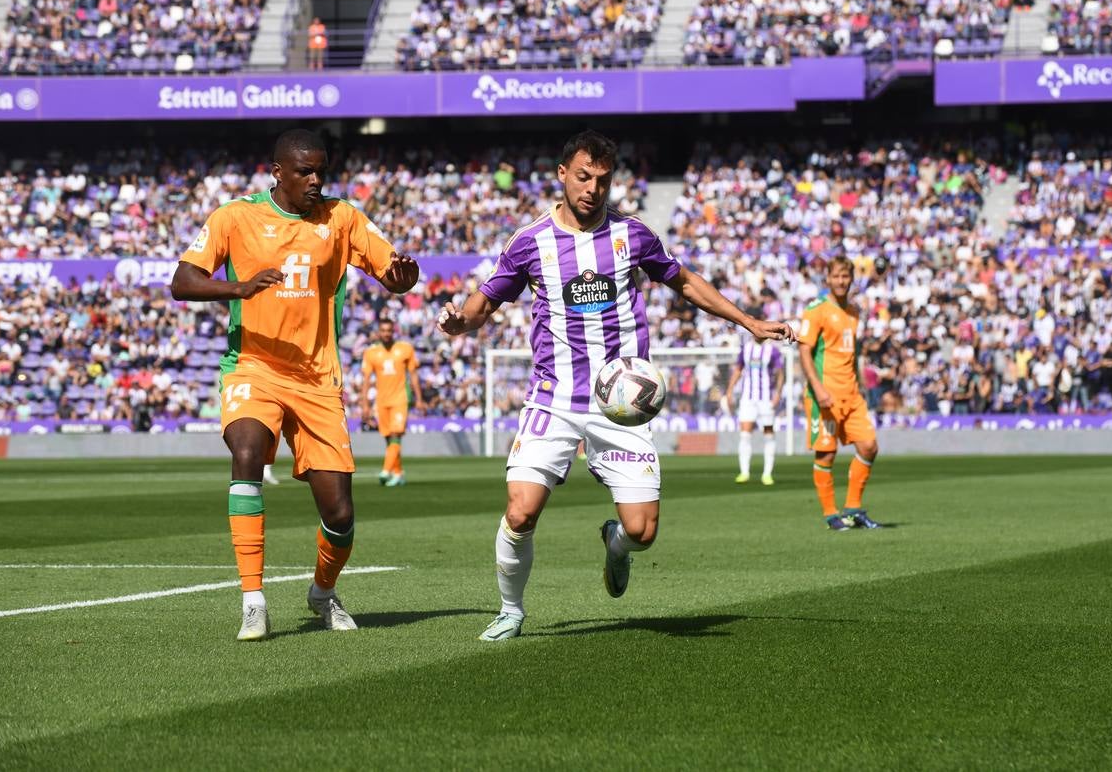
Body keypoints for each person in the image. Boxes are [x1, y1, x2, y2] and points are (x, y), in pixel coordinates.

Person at [436, 130, 792, 642]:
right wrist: (459, 323)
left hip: (621, 402)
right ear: (563, 174)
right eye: (584, 177)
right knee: (520, 510)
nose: (593, 189)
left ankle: (616, 543)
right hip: (554, 398)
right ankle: (511, 611)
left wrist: (748, 322)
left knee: (642, 531)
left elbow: (684, 281)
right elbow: (485, 302)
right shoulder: (530, 241)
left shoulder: (633, 235)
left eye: (603, 180)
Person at [170, 129, 419, 641]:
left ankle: (322, 592)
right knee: (246, 452)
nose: (315, 180)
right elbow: (182, 281)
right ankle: (253, 601)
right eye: (305, 171)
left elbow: (393, 272)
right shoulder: (234, 217)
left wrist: (402, 278)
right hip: (253, 366)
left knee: (340, 514)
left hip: (317, 379)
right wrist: (239, 286)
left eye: (321, 170)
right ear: (277, 172)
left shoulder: (341, 217)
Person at [796, 256, 881, 532]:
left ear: (852, 279)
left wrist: (860, 386)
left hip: (852, 393)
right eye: (836, 276)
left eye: (846, 276)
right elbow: (804, 351)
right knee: (826, 455)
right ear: (828, 279)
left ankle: (853, 510)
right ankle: (831, 515)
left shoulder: (854, 312)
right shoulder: (816, 310)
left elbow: (852, 354)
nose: (841, 281)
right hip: (825, 394)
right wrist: (818, 388)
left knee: (869, 446)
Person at [362, 317, 424, 486]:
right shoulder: (371, 353)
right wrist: (365, 405)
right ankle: (398, 473)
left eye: (389, 330)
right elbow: (366, 381)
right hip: (382, 401)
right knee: (389, 439)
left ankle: (385, 470)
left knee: (396, 434)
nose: (386, 334)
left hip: (400, 399)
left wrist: (419, 399)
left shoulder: (405, 349)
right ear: (378, 332)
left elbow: (414, 375)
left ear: (393, 331)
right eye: (383, 331)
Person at [726, 334, 784, 485]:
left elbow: (780, 373)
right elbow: (738, 370)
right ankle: (744, 472)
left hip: (766, 399)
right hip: (748, 398)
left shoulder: (772, 350)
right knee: (745, 435)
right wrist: (730, 390)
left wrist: (778, 394)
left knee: (769, 435)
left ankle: (767, 474)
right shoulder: (745, 349)